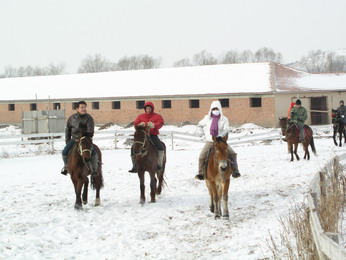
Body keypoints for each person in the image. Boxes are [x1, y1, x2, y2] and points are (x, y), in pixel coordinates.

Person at [195, 100, 241, 180]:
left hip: (220, 141)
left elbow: (226, 129)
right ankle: (201, 172)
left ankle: (235, 170)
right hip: (210, 141)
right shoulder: (207, 118)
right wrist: (201, 133)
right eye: (213, 109)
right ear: (211, 109)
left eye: (217, 109)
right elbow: (199, 125)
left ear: (220, 109)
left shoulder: (224, 119)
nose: (215, 111)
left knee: (232, 153)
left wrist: (222, 134)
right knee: (202, 156)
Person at [61, 101, 98, 176]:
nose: (84, 109)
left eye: (84, 107)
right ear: (77, 109)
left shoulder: (89, 118)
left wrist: (84, 134)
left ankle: (94, 170)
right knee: (64, 152)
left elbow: (91, 131)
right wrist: (67, 141)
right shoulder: (71, 118)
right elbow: (68, 130)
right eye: (82, 107)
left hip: (85, 140)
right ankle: (66, 167)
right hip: (74, 139)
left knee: (94, 153)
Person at [128, 101, 165, 173]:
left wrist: (154, 125)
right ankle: (135, 165)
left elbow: (160, 123)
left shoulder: (157, 116)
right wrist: (139, 125)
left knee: (161, 147)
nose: (148, 110)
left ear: (152, 109)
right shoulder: (140, 116)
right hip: (142, 136)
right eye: (147, 108)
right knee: (133, 148)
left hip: (153, 135)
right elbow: (135, 124)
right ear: (145, 109)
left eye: (150, 108)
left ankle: (159, 164)